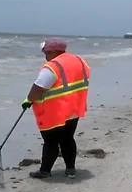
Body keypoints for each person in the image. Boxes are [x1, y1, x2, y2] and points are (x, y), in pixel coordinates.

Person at [22, 38, 91, 179]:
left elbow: (38, 87)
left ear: (53, 51)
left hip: (55, 113)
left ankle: (44, 172)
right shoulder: (78, 60)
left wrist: (28, 99)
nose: (45, 56)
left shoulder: (53, 67)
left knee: (51, 142)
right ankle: (70, 170)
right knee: (68, 139)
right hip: (73, 110)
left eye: (46, 52)